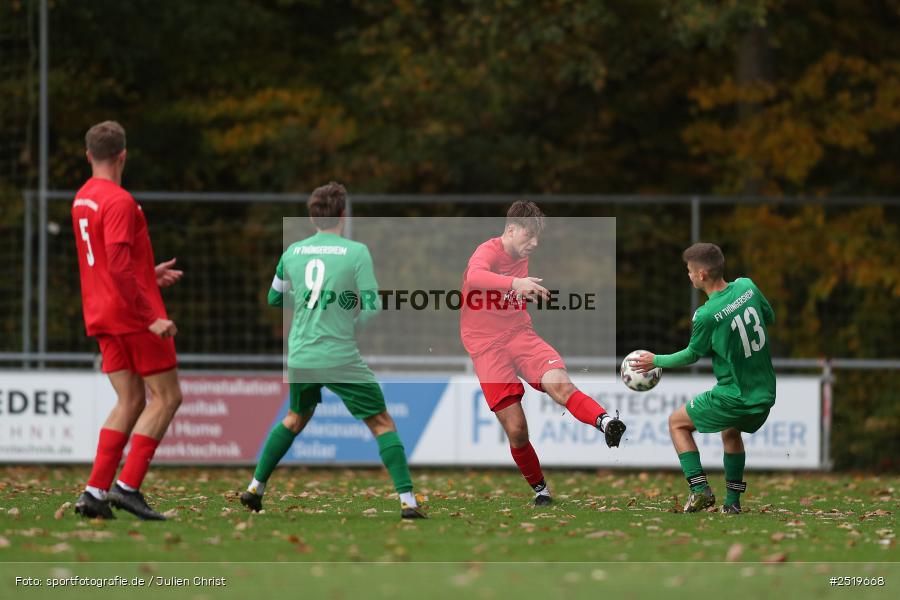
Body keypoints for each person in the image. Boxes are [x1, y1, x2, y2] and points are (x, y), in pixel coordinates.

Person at [240, 182, 426, 519]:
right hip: (339, 355)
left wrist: (310, 301)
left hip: (300, 355)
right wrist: (347, 321)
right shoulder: (356, 252)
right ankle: (408, 502)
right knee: (382, 423)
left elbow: (274, 298)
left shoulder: (292, 252)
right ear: (343, 215)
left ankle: (255, 487)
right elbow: (372, 306)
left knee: (295, 418)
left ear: (312, 219)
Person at [460, 201, 626, 506]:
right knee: (517, 430)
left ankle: (605, 422)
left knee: (560, 384)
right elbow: (475, 277)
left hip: (520, 334)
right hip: (486, 347)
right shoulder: (489, 250)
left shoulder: (521, 254)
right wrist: (516, 284)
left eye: (538, 237)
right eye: (529, 235)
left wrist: (522, 291)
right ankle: (541, 490)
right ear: (510, 229)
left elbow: (507, 291)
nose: (534, 243)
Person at [71, 120, 184, 521]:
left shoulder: (83, 198)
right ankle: (127, 487)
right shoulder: (120, 201)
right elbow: (117, 266)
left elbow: (109, 263)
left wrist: (146, 273)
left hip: (102, 313)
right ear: (123, 155)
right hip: (132, 316)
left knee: (132, 399)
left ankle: (95, 492)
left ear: (89, 156)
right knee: (168, 397)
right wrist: (150, 316)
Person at [629, 242, 776, 514]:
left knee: (676, 424)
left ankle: (699, 490)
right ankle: (732, 504)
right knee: (731, 432)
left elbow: (691, 355)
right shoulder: (747, 286)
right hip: (765, 392)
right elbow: (770, 317)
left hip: (734, 395)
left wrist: (655, 360)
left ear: (702, 275)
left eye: (689, 270)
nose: (688, 275)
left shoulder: (706, 315)